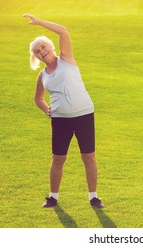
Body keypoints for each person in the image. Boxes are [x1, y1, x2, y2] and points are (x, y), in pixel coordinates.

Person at [24, 14, 104, 208]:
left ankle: (93, 197)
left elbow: (63, 30)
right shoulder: (42, 75)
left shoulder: (66, 59)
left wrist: (40, 22)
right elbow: (38, 99)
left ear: (50, 46)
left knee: (88, 156)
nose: (42, 51)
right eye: (37, 51)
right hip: (60, 120)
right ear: (36, 57)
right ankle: (53, 197)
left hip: (84, 114)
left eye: (43, 46)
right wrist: (48, 111)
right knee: (58, 158)